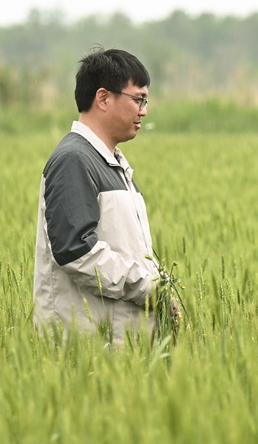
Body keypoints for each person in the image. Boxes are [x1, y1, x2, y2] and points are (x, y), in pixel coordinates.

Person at [33, 46, 158, 345]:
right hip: (88, 348)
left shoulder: (112, 164)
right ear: (103, 98)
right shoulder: (73, 160)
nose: (143, 110)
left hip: (119, 345)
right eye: (138, 99)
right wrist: (150, 287)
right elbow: (76, 251)